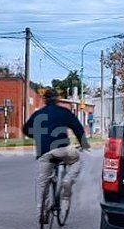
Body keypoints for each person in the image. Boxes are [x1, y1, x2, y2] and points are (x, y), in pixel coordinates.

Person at [23, 89, 89, 220]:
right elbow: (77, 128)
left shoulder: (38, 114)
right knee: (77, 160)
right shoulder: (64, 112)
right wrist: (84, 144)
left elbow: (26, 129)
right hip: (62, 150)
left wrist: (38, 135)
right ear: (57, 99)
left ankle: (42, 212)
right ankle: (67, 180)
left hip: (44, 153)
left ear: (44, 100)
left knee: (42, 181)